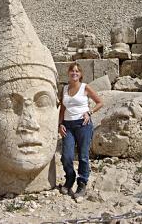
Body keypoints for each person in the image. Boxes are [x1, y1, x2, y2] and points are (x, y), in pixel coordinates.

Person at [58, 62, 103, 199]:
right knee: (67, 156)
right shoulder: (64, 88)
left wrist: (89, 112)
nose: (74, 73)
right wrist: (60, 124)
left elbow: (100, 102)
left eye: (77, 71)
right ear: (68, 73)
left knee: (83, 156)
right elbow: (63, 108)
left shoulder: (85, 87)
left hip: (83, 125)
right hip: (68, 126)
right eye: (72, 71)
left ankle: (82, 183)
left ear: (81, 74)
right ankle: (70, 178)